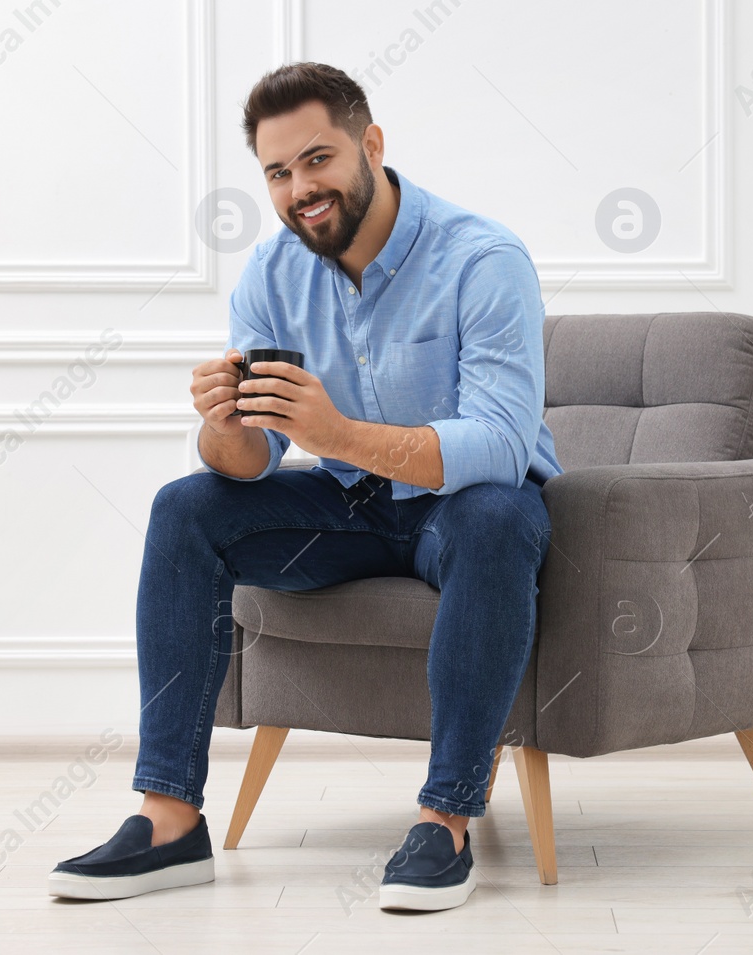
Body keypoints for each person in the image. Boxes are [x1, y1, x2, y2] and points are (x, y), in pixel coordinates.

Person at [48, 62, 563, 913]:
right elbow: (251, 461)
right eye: (278, 173)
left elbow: (504, 446)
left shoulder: (483, 258)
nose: (300, 190)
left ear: (371, 144)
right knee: (186, 505)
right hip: (352, 507)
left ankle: (446, 820)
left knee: (500, 514)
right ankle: (170, 819)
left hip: (463, 514)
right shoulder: (271, 274)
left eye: (317, 160)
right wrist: (225, 426)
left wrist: (337, 435)